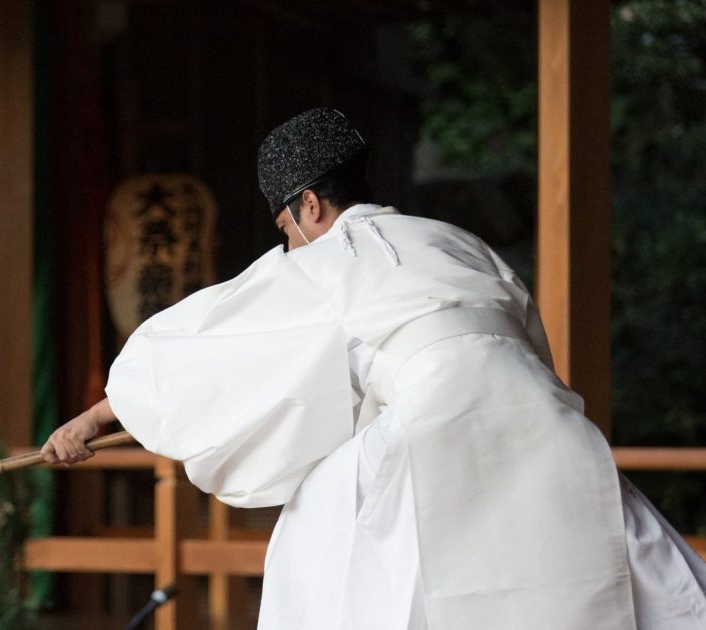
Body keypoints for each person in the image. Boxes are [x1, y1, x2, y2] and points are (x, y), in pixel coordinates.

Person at [41, 108, 706, 629]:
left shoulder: (324, 261)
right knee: (628, 566)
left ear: (307, 205)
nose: (287, 241)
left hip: (431, 422)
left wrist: (94, 419)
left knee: (323, 552)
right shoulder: (456, 241)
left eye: (284, 225)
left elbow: (201, 354)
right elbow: (524, 339)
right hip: (543, 417)